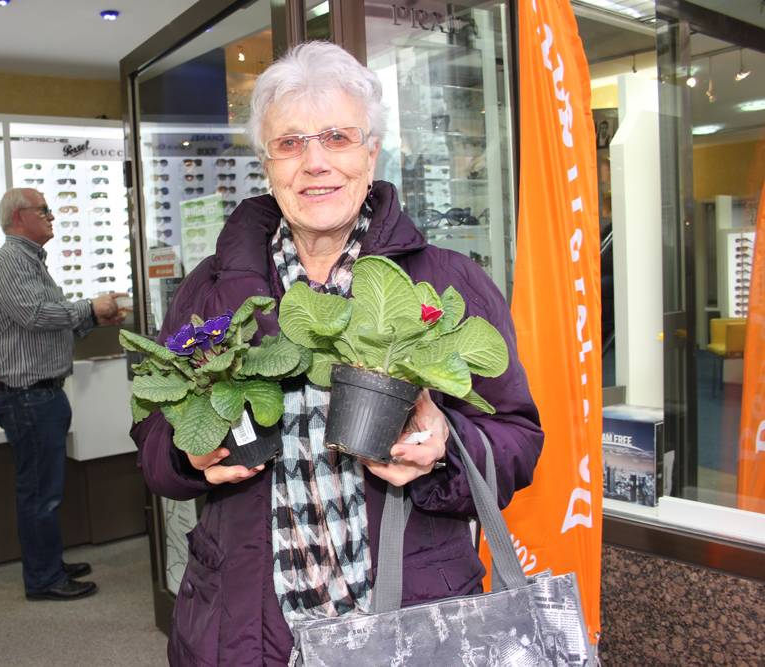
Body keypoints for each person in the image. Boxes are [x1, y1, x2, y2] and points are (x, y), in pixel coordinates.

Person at [131, 42, 543, 665]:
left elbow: (517, 438)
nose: (315, 162)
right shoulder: (211, 288)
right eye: (290, 143)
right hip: (246, 627)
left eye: (338, 137)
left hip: (410, 619)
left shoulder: (449, 281)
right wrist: (191, 454)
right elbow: (153, 445)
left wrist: (443, 449)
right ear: (267, 164)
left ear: (372, 152)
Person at [0, 187, 127, 601]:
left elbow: (48, 325)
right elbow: (35, 315)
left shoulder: (30, 262)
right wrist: (88, 309)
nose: (52, 217)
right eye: (43, 210)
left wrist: (94, 319)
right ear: (17, 218)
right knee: (40, 494)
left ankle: (48, 565)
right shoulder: (10, 261)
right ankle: (44, 579)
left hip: (39, 394)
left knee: (45, 490)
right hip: (28, 396)